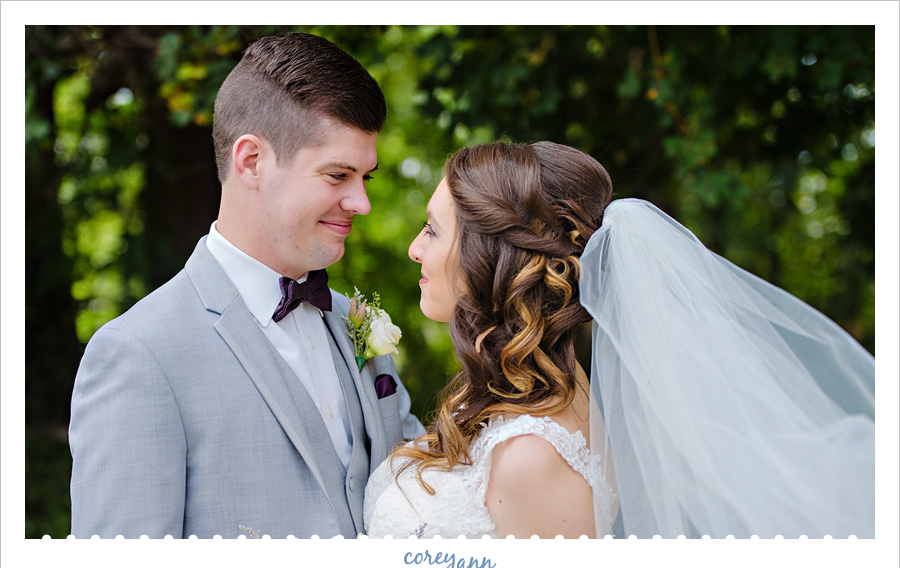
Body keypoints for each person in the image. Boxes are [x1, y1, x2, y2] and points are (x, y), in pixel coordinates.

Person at [363, 140, 875, 539]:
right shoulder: (515, 407)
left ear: (487, 256)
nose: (413, 248)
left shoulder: (533, 452)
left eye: (432, 230)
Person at [69, 31, 424, 539]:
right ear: (251, 161)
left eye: (365, 177)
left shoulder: (355, 324)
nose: (361, 203)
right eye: (338, 175)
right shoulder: (139, 354)